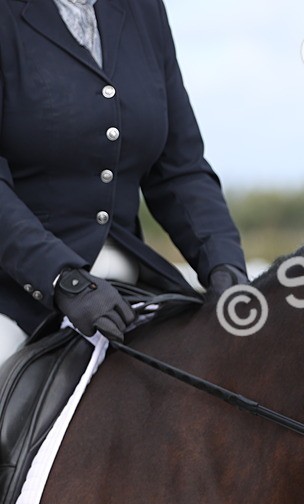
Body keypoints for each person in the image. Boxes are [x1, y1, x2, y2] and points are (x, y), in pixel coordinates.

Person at [0, 0, 247, 359]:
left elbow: (180, 167)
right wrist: (61, 278)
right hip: (15, 293)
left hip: (128, 288)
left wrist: (225, 266)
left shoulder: (144, 9)